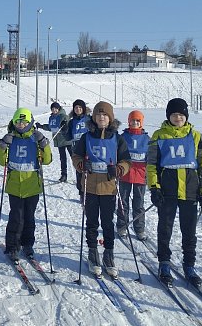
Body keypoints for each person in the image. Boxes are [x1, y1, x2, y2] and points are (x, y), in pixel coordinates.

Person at [147, 98, 202, 288]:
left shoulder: (196, 136)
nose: (178, 118)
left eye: (181, 115)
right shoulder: (158, 136)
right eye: (174, 114)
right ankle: (164, 263)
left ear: (186, 117)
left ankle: (189, 266)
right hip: (167, 192)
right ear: (168, 116)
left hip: (190, 191)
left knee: (189, 232)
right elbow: (151, 165)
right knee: (165, 229)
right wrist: (154, 187)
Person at [72, 101, 130, 277]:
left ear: (110, 118)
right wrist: (82, 164)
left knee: (107, 222)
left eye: (105, 115)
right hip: (89, 186)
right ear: (94, 117)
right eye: (98, 115)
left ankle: (108, 254)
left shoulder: (117, 138)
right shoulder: (86, 137)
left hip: (109, 188)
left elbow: (127, 161)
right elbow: (76, 156)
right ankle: (92, 252)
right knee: (91, 222)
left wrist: (118, 169)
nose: (101, 118)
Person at [0, 108, 52, 261]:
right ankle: (12, 246)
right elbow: (2, 161)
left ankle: (27, 244)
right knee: (16, 217)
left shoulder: (35, 138)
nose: (21, 125)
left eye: (24, 122)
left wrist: (43, 143)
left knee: (29, 217)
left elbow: (47, 160)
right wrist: (2, 146)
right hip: (14, 185)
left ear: (30, 122)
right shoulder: (10, 137)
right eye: (18, 122)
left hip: (32, 185)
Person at [116, 110, 150, 240]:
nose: (134, 123)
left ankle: (139, 229)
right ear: (128, 121)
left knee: (139, 204)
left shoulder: (146, 139)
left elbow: (150, 157)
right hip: (125, 174)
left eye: (137, 121)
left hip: (141, 176)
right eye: (132, 120)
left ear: (141, 122)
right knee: (123, 202)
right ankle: (121, 226)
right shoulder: (123, 137)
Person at [62, 99, 91, 193]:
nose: (78, 109)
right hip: (77, 150)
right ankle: (81, 192)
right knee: (79, 171)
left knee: (89, 171)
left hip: (89, 149)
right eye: (76, 107)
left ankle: (90, 191)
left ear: (83, 108)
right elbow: (68, 138)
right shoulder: (71, 122)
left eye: (80, 107)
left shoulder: (89, 119)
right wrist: (64, 130)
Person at [37, 102, 70, 182]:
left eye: (55, 108)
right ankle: (64, 175)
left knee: (74, 157)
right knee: (62, 158)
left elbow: (68, 122)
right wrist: (41, 126)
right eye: (52, 109)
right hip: (59, 141)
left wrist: (65, 125)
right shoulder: (51, 117)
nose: (54, 110)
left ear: (58, 109)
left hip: (67, 140)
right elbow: (50, 127)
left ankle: (80, 174)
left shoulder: (63, 116)